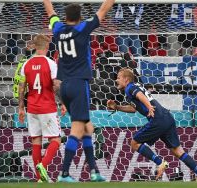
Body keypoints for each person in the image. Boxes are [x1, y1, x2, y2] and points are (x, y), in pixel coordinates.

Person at [43, 0, 115, 182]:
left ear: (65, 17)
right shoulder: (83, 28)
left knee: (87, 128)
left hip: (64, 86)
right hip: (78, 84)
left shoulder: (58, 28)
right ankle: (64, 173)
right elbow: (104, 9)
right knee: (77, 129)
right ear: (80, 17)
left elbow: (50, 11)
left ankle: (94, 171)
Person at [107, 68, 197, 181]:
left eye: (118, 78)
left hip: (158, 119)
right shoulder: (134, 87)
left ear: (126, 79)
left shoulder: (130, 88)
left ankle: (160, 162)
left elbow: (141, 95)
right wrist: (117, 107)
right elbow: (133, 109)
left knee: (134, 142)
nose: (116, 80)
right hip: (167, 117)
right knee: (177, 151)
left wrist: (149, 107)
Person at [18, 34, 62, 183]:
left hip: (32, 108)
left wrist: (21, 108)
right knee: (56, 139)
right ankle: (42, 166)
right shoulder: (51, 63)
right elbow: (56, 85)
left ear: (35, 47)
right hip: (47, 107)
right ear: (48, 47)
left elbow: (21, 87)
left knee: (36, 141)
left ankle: (40, 179)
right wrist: (63, 103)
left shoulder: (26, 64)